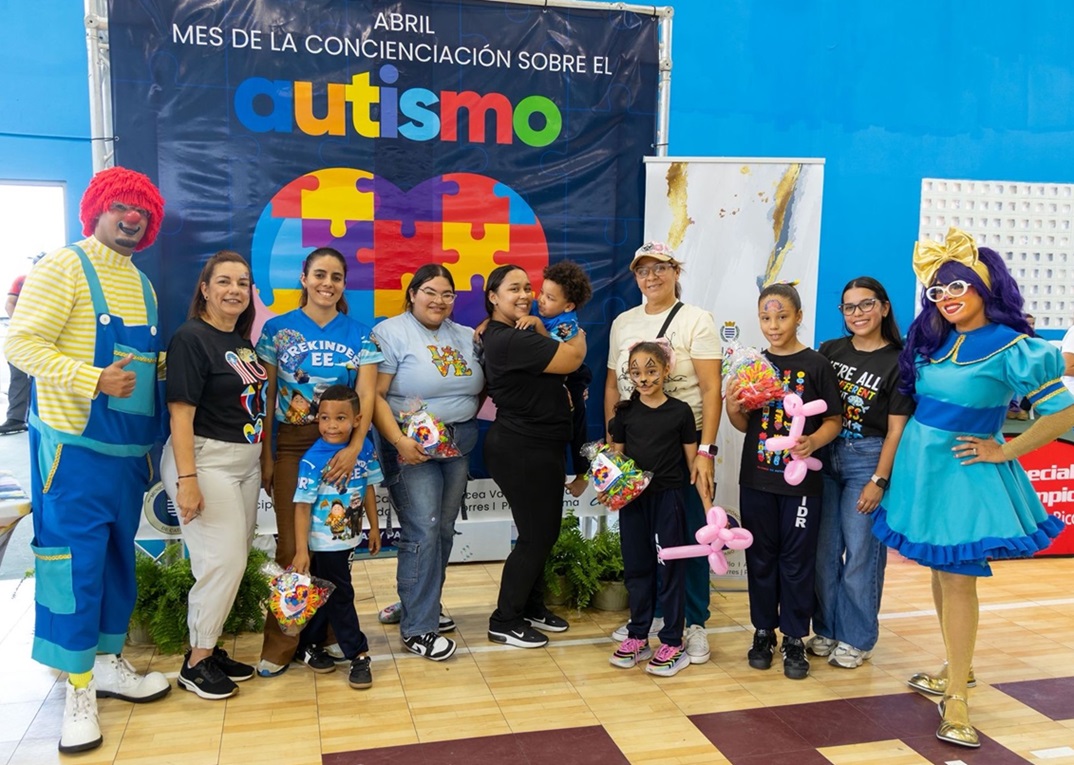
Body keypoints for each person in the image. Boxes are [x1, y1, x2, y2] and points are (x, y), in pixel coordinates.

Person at [873, 228, 1073, 748]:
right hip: (923, 470)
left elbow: (1062, 412)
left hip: (965, 473)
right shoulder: (933, 338)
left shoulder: (1014, 347)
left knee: (959, 578)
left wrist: (1004, 450)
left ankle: (957, 696)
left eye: (958, 286)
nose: (946, 298)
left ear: (985, 287)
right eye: (938, 290)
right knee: (941, 570)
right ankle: (954, 666)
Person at [4, 167, 171, 753]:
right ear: (96, 209)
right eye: (121, 206)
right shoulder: (63, 266)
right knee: (71, 567)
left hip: (127, 454)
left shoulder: (143, 284)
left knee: (117, 562)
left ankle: (105, 665)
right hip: (72, 452)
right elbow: (19, 343)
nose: (132, 218)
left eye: (142, 211)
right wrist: (91, 376)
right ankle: (76, 689)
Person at [255, 247, 382, 676]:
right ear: (304, 278)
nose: (328, 283)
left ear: (344, 284)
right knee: (293, 546)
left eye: (336, 277)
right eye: (320, 275)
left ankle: (325, 637)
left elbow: (366, 397)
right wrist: (267, 455)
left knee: (334, 548)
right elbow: (266, 398)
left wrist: (354, 448)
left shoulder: (361, 334)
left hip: (344, 445)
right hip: (293, 444)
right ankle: (281, 646)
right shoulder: (277, 330)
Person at [604, 241, 721, 662]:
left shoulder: (696, 320)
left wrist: (705, 451)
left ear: (676, 271)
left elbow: (711, 389)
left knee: (688, 537)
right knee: (641, 542)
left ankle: (694, 623)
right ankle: (650, 617)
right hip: (636, 445)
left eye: (660, 268)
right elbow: (613, 388)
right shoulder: (623, 322)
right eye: (642, 270)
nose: (651, 277)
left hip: (682, 446)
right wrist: (612, 457)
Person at [161, 250, 267, 701]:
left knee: (228, 560)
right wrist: (188, 480)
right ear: (204, 289)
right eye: (224, 281)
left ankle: (207, 647)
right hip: (206, 462)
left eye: (242, 283)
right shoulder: (191, 338)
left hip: (243, 465)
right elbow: (180, 415)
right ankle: (196, 663)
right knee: (224, 562)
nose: (234, 290)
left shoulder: (240, 342)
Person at [725, 282, 842, 680]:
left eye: (782, 316)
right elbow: (745, 424)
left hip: (801, 484)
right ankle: (763, 632)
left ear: (798, 317)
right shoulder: (753, 365)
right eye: (766, 317)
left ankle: (794, 636)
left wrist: (814, 441)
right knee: (760, 558)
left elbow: (834, 419)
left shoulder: (817, 364)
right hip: (757, 478)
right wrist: (732, 405)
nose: (773, 325)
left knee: (797, 561)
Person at [371, 264, 484, 661]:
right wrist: (399, 441)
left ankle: (421, 602)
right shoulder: (390, 332)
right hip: (410, 445)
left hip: (459, 442)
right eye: (430, 292)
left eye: (447, 294)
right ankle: (419, 628)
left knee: (443, 530)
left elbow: (479, 386)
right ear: (413, 293)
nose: (439, 300)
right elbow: (375, 396)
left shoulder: (466, 335)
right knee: (423, 528)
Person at [810, 277, 913, 669]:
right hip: (825, 456)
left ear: (884, 307)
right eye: (849, 307)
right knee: (823, 554)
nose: (858, 313)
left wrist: (879, 480)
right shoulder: (829, 351)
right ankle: (827, 628)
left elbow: (897, 430)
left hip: (866, 460)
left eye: (866, 304)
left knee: (861, 555)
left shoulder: (899, 360)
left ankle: (857, 637)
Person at [482, 264, 586, 648]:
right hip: (521, 448)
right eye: (514, 288)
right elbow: (572, 359)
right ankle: (504, 619)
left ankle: (530, 606)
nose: (526, 295)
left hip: (541, 446)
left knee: (542, 533)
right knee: (536, 536)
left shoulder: (519, 331)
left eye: (529, 287)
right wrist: (580, 336)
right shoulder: (509, 339)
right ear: (493, 297)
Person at [606, 341, 698, 677]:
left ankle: (673, 641)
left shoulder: (680, 412)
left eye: (650, 370)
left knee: (670, 569)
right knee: (637, 568)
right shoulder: (624, 413)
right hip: (633, 503)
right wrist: (608, 485)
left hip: (669, 499)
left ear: (666, 370)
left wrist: (707, 502)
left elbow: (694, 464)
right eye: (635, 372)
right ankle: (638, 635)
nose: (643, 378)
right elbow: (615, 460)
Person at [292, 384, 381, 690]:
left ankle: (309, 644)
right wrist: (301, 550)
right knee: (341, 594)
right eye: (325, 418)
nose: (331, 425)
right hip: (324, 542)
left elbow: (368, 488)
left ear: (357, 420)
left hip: (349, 538)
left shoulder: (364, 448)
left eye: (340, 418)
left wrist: (374, 527)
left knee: (325, 593)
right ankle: (358, 654)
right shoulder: (313, 459)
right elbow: (302, 507)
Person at [516, 261, 595, 497]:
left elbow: (554, 351)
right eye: (541, 292)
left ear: (568, 306)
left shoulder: (568, 324)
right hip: (546, 383)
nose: (541, 300)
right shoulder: (536, 309)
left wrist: (537, 324)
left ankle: (582, 474)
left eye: (550, 298)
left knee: (576, 424)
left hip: (572, 377)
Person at [1, 270, 31, 435]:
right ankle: (16, 418)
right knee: (18, 375)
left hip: (51, 333)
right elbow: (10, 303)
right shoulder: (22, 280)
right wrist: (21, 324)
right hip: (23, 333)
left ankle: (37, 418)